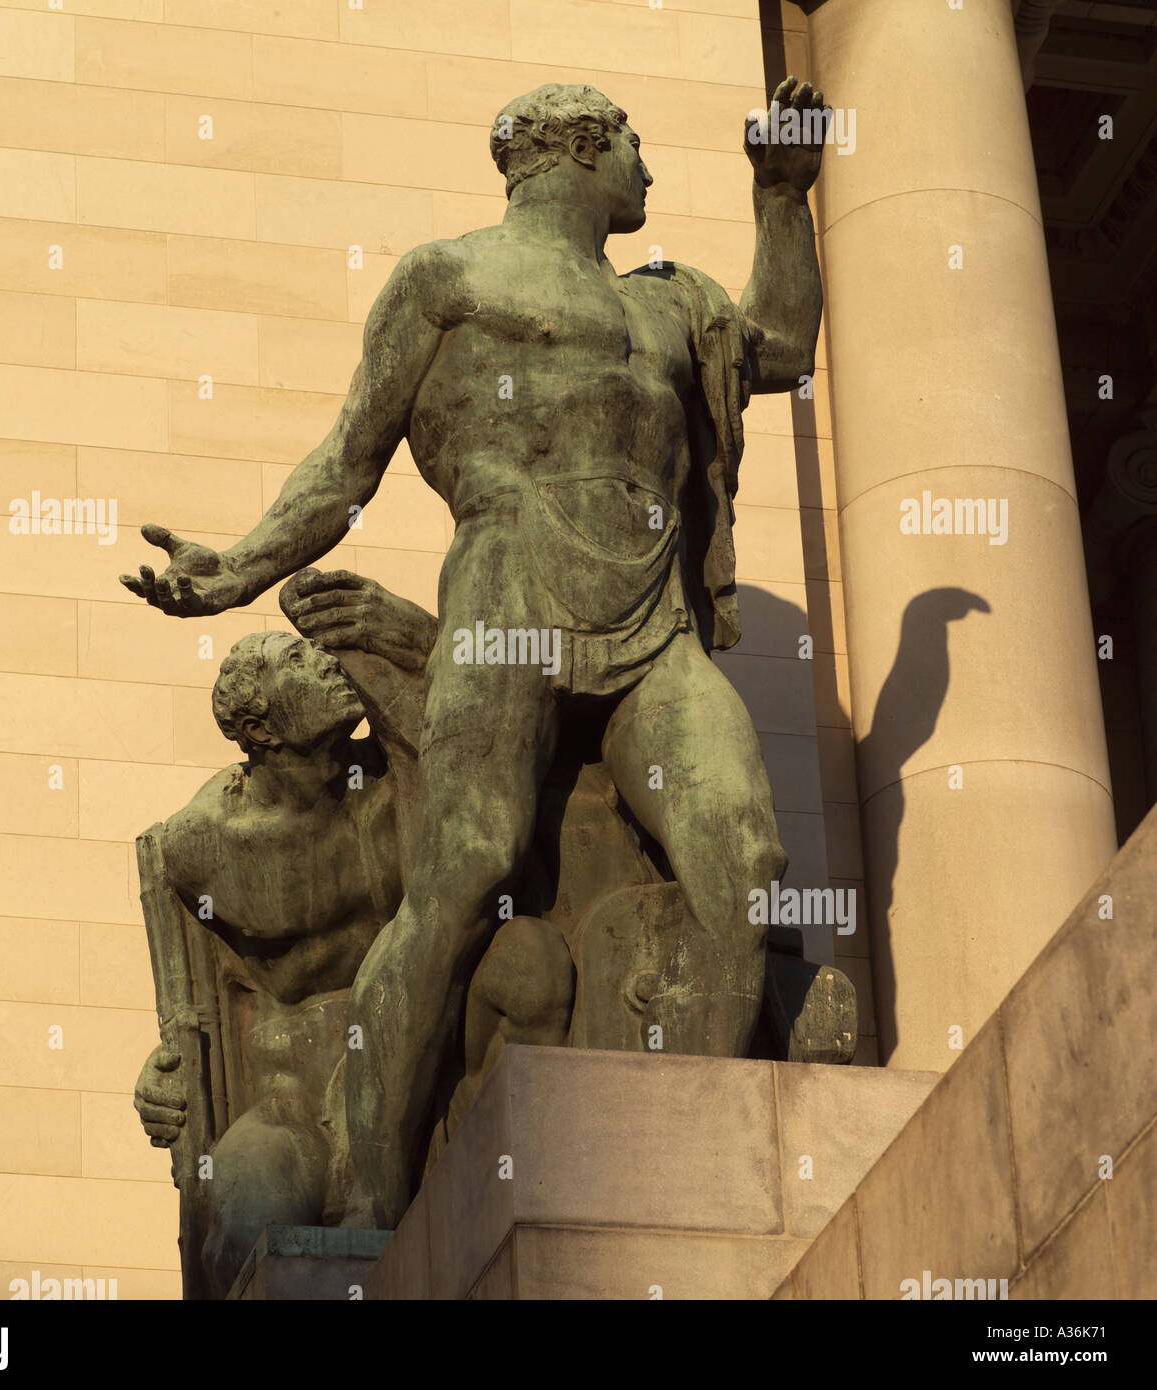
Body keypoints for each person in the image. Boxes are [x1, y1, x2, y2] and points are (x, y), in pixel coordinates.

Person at [121, 78, 829, 1226]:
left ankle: (697, 1180)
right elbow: (346, 465)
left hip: (651, 625)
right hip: (507, 595)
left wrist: (781, 195)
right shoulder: (448, 280)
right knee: (464, 873)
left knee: (743, 856)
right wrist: (234, 569)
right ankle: (369, 1198)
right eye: (637, 147)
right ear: (580, 150)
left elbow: (785, 346)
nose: (651, 172)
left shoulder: (667, 307)